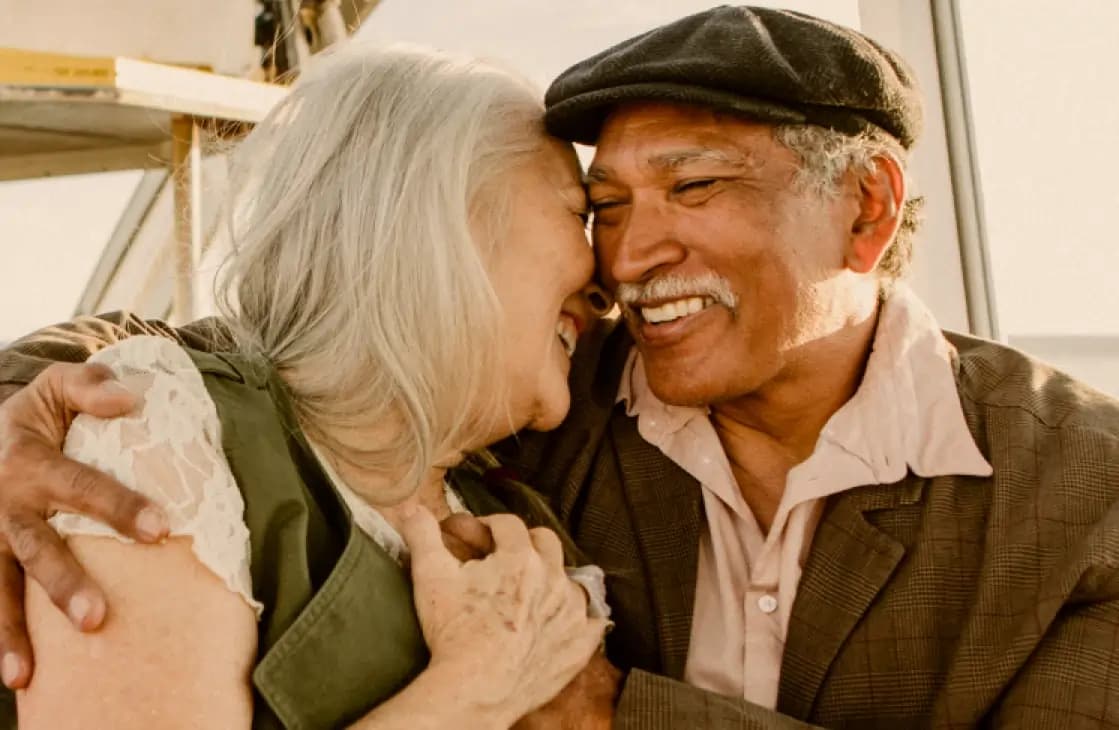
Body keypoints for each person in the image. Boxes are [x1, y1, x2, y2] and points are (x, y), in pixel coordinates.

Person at [1, 5, 1118, 728]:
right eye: (605, 206)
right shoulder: (550, 388)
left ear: (866, 208)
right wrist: (23, 409)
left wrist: (604, 707)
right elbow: (269, 358)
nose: (624, 260)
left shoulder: (1084, 502)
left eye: (692, 187)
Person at [0, 42, 616, 729]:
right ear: (440, 216)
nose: (606, 285)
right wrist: (475, 691)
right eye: (577, 213)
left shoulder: (519, 511)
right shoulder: (172, 435)